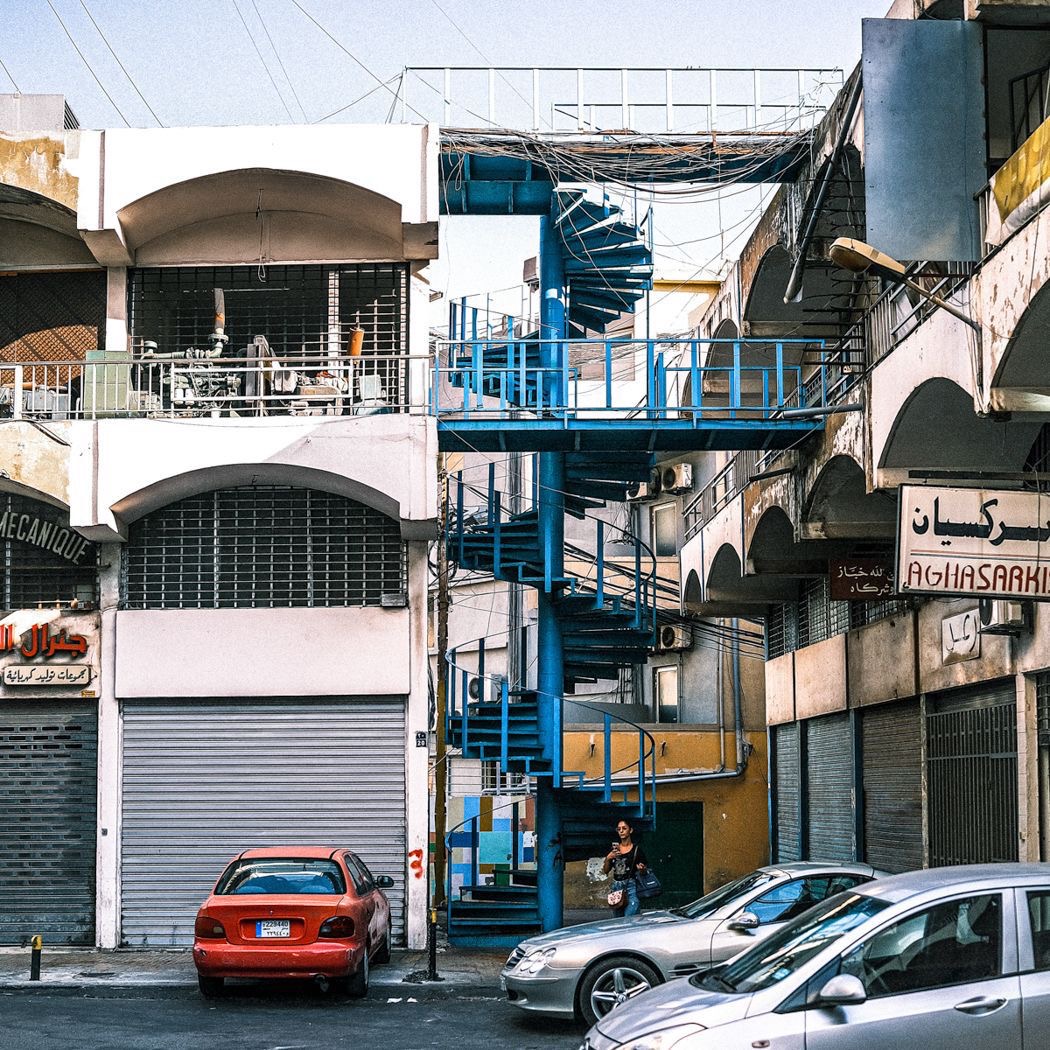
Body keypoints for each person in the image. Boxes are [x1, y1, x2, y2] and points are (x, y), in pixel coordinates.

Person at [603, 819, 648, 917]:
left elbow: (645, 871)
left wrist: (642, 869)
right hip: (616, 887)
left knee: (630, 918)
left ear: (630, 830)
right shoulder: (614, 850)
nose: (621, 831)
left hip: (631, 886)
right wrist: (608, 858)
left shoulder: (637, 850)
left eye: (624, 828)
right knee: (618, 921)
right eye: (619, 829)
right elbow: (606, 870)